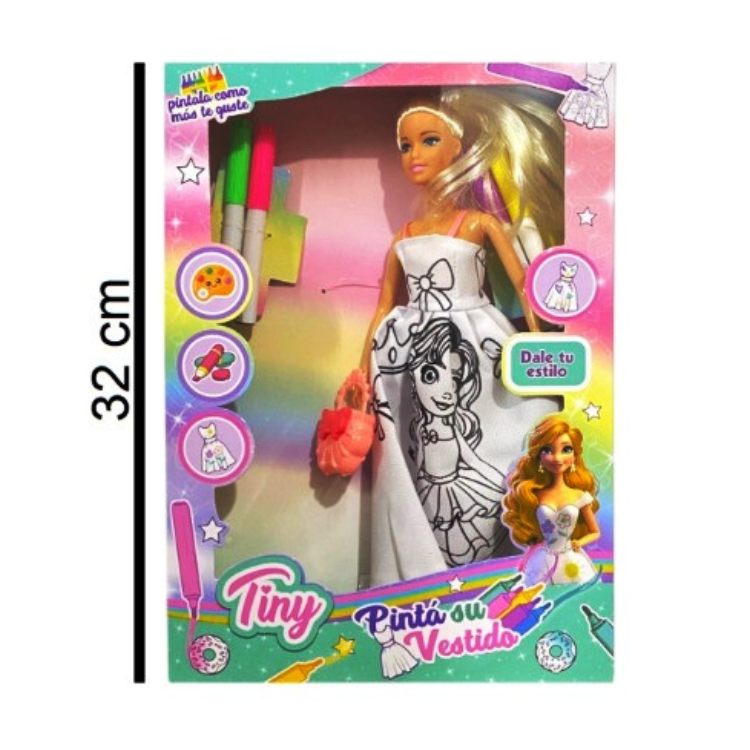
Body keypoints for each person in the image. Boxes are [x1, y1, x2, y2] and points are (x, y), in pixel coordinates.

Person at [362, 88, 564, 585]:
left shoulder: (478, 222)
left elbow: (523, 284)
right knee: (420, 459)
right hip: (414, 352)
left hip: (477, 341)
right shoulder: (404, 236)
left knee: (514, 430)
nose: (414, 154)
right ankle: (430, 568)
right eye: (405, 146)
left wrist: (540, 342)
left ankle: (506, 547)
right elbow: (384, 305)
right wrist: (360, 372)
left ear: (458, 147)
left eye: (428, 140)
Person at [502, 416, 600, 585]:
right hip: (543, 559)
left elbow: (595, 532)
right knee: (538, 591)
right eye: (547, 450)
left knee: (578, 591)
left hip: (571, 558)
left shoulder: (580, 496)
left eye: (566, 449)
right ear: (539, 457)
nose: (557, 458)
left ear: (575, 455)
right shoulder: (534, 495)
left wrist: (579, 542)